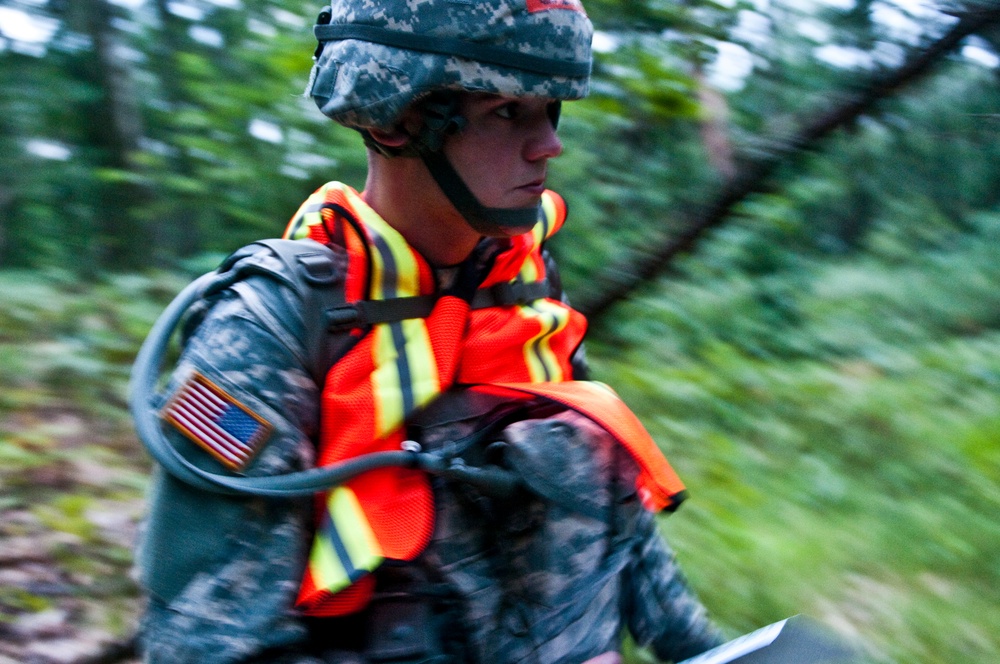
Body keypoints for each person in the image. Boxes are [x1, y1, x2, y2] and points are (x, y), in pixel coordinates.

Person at [132, 1, 726, 662]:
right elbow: (203, 644)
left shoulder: (522, 286)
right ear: (401, 121)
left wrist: (707, 649)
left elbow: (618, 514)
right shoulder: (268, 328)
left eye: (550, 110)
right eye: (508, 111)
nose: (549, 144)